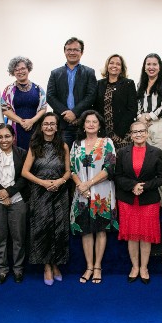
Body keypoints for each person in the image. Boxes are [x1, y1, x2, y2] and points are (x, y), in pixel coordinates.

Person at [22, 112, 71, 286]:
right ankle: (46, 266)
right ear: (41, 127)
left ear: (57, 127)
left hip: (59, 192)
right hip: (40, 192)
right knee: (42, 229)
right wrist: (43, 183)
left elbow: (68, 172)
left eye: (52, 124)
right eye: (46, 124)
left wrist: (60, 181)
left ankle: (56, 264)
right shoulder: (35, 145)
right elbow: (25, 172)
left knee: (58, 229)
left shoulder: (63, 146)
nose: (49, 127)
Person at [115, 121, 162, 284]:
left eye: (141, 131)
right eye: (135, 132)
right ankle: (134, 267)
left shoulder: (156, 152)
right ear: (131, 135)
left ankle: (144, 267)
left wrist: (143, 186)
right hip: (128, 200)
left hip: (148, 200)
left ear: (147, 133)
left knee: (145, 236)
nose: (138, 134)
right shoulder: (122, 152)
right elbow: (117, 176)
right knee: (132, 236)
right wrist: (132, 186)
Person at [70, 110, 117, 284]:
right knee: (86, 231)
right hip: (81, 193)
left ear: (99, 125)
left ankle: (98, 267)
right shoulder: (76, 144)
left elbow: (110, 167)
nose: (91, 124)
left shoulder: (107, 143)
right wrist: (80, 185)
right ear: (83, 125)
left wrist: (88, 184)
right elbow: (72, 169)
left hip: (101, 193)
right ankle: (89, 266)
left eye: (94, 122)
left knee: (100, 229)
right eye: (88, 121)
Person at [0, 125, 30, 284]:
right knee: (0, 237)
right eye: (0, 137)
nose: (4, 140)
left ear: (14, 137)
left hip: (17, 200)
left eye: (7, 136)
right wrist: (1, 193)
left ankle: (18, 269)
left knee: (18, 237)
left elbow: (25, 178)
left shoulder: (22, 153)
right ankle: (2, 270)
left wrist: (9, 192)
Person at [137, 53, 162, 207]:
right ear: (144, 67)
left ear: (159, 67)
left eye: (154, 64)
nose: (151, 67)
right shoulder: (140, 85)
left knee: (161, 163)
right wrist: (140, 118)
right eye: (148, 64)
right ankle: (148, 198)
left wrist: (148, 117)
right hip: (144, 126)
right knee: (146, 164)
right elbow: (137, 105)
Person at [47, 37, 97, 148]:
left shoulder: (89, 72)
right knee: (63, 158)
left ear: (81, 52)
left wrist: (74, 112)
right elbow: (50, 96)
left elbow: (91, 95)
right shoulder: (55, 73)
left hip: (83, 123)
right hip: (62, 124)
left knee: (84, 158)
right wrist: (65, 112)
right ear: (64, 51)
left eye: (76, 50)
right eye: (69, 49)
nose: (72, 52)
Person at [1, 56, 48, 150]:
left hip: (35, 129)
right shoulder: (9, 90)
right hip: (15, 130)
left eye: (23, 68)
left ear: (28, 69)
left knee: (35, 155)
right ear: (13, 72)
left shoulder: (38, 89)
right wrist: (21, 121)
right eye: (16, 69)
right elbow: (4, 109)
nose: (20, 71)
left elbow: (43, 108)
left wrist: (32, 121)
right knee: (18, 157)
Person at [94, 54, 137, 150]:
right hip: (103, 133)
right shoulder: (99, 84)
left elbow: (132, 109)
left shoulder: (128, 84)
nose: (114, 66)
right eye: (111, 63)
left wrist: (118, 133)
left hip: (122, 134)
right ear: (107, 66)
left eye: (118, 64)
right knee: (105, 162)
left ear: (121, 68)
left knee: (122, 162)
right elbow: (96, 107)